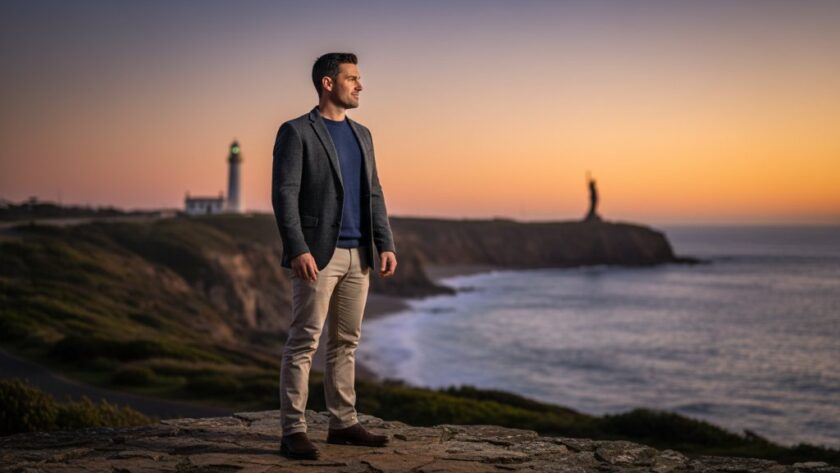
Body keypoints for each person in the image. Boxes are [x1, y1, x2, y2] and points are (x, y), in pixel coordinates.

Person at [271, 52, 398, 460]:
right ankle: (293, 430)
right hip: (317, 256)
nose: (360, 85)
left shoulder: (363, 134)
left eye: (359, 78)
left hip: (359, 254)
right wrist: (297, 248)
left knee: (346, 342)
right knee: (304, 341)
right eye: (352, 78)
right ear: (328, 83)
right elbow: (285, 195)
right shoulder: (296, 132)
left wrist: (385, 243)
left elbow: (374, 192)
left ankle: (343, 423)